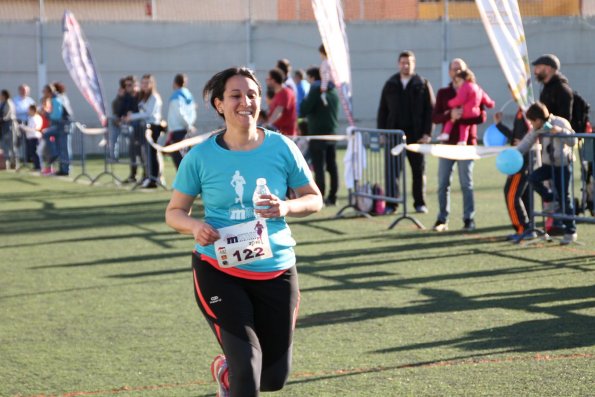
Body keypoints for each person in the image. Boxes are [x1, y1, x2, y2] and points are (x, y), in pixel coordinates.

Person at [165, 66, 322, 396]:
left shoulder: (282, 147)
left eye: (252, 95)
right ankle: (234, 374)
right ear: (220, 104)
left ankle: (224, 374)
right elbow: (174, 213)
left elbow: (315, 199)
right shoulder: (201, 156)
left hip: (276, 270)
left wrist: (286, 207)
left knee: (272, 379)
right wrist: (195, 226)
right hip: (219, 269)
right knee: (248, 370)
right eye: (235, 95)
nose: (245, 102)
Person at [431, 58, 486, 232]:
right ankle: (442, 218)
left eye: (460, 69)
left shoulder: (474, 89)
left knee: (466, 183)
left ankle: (469, 219)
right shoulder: (443, 93)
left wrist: (463, 116)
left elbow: (482, 116)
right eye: (454, 69)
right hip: (447, 144)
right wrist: (450, 115)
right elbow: (435, 117)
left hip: (467, 144)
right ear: (449, 72)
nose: (457, 72)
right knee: (443, 183)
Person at [377, 50, 434, 214]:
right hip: (393, 136)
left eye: (409, 63)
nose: (406, 65)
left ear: (414, 64)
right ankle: (391, 204)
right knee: (392, 172)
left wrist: (427, 133)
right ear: (398, 64)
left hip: (416, 137)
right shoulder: (391, 83)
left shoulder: (422, 84)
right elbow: (383, 110)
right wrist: (382, 132)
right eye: (403, 62)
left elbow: (430, 110)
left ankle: (419, 203)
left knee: (418, 171)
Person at [516, 101, 577, 245]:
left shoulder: (560, 122)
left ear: (537, 120)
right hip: (548, 165)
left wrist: (560, 132)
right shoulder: (538, 128)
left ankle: (570, 231)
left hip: (562, 165)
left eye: (532, 122)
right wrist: (515, 152)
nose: (531, 125)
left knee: (565, 198)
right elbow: (527, 141)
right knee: (532, 178)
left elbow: (573, 140)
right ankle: (550, 199)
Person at [299, 66, 340, 206]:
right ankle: (333, 196)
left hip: (317, 134)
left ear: (312, 77)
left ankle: (320, 196)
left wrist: (306, 99)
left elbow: (304, 109)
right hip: (332, 133)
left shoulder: (316, 90)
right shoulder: (334, 89)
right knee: (332, 167)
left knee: (319, 168)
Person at [494, 108, 534, 242]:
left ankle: (522, 229)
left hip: (521, 162)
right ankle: (528, 228)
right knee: (522, 196)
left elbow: (530, 134)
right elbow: (515, 138)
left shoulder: (526, 111)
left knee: (511, 195)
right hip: (519, 160)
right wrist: (499, 125)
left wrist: (522, 142)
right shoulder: (520, 111)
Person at [437, 69, 495, 145]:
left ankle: (446, 133)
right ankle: (462, 141)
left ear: (465, 79)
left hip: (465, 112)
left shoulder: (465, 87)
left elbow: (460, 99)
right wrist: (491, 104)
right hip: (475, 112)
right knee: (464, 126)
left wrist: (450, 104)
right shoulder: (478, 88)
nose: (458, 84)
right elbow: (486, 99)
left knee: (452, 118)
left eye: (459, 81)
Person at [125, 74, 163, 188]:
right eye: (143, 83)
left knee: (152, 153)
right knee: (147, 154)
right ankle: (149, 177)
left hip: (153, 127)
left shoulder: (154, 97)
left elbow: (148, 114)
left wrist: (132, 116)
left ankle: (154, 179)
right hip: (145, 127)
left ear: (152, 84)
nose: (144, 85)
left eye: (147, 83)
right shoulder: (144, 96)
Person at [166, 73, 196, 170]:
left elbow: (180, 113)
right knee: (186, 158)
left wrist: (187, 125)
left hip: (178, 130)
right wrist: (190, 125)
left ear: (175, 83)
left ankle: (184, 183)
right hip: (186, 130)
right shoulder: (189, 94)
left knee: (179, 159)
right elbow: (193, 112)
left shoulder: (177, 95)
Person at [266, 68, 297, 136]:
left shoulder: (286, 93)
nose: (266, 80)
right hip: (278, 133)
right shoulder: (278, 94)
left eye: (268, 79)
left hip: (286, 135)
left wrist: (267, 125)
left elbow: (279, 111)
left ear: (273, 80)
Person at [52, 82, 74, 176]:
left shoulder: (60, 97)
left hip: (65, 123)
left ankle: (66, 168)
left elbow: (62, 111)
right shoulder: (61, 97)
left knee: (65, 147)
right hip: (61, 123)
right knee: (61, 147)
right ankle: (62, 167)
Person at [21, 104, 43, 170]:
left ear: (33, 110)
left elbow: (35, 128)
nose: (28, 111)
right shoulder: (31, 118)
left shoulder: (36, 118)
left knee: (35, 152)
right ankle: (36, 166)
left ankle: (38, 166)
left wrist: (24, 128)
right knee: (32, 152)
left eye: (29, 110)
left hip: (35, 137)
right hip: (31, 137)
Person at [0, 89, 18, 169]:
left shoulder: (8, 103)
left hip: (10, 125)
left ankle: (14, 163)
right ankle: (5, 163)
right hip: (4, 126)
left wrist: (2, 119)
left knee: (12, 145)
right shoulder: (2, 103)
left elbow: (7, 114)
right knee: (4, 145)